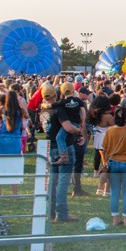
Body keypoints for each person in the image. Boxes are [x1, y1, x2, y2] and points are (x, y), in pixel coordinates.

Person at [40, 86, 83, 223]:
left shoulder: (43, 109)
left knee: (53, 181)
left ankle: (51, 212)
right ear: (55, 95)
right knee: (63, 182)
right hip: (63, 148)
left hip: (51, 147)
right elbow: (68, 128)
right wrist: (79, 131)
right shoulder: (59, 109)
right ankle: (62, 214)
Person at [101, 104, 126, 226]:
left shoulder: (110, 131)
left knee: (114, 192)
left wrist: (105, 162)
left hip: (113, 163)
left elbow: (104, 149)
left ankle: (115, 219)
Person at [46, 83, 85, 166]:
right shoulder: (78, 100)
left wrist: (43, 105)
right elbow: (83, 110)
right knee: (72, 139)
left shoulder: (63, 102)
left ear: (62, 92)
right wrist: (83, 121)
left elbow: (50, 105)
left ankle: (63, 156)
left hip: (69, 124)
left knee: (60, 137)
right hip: (77, 123)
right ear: (73, 90)